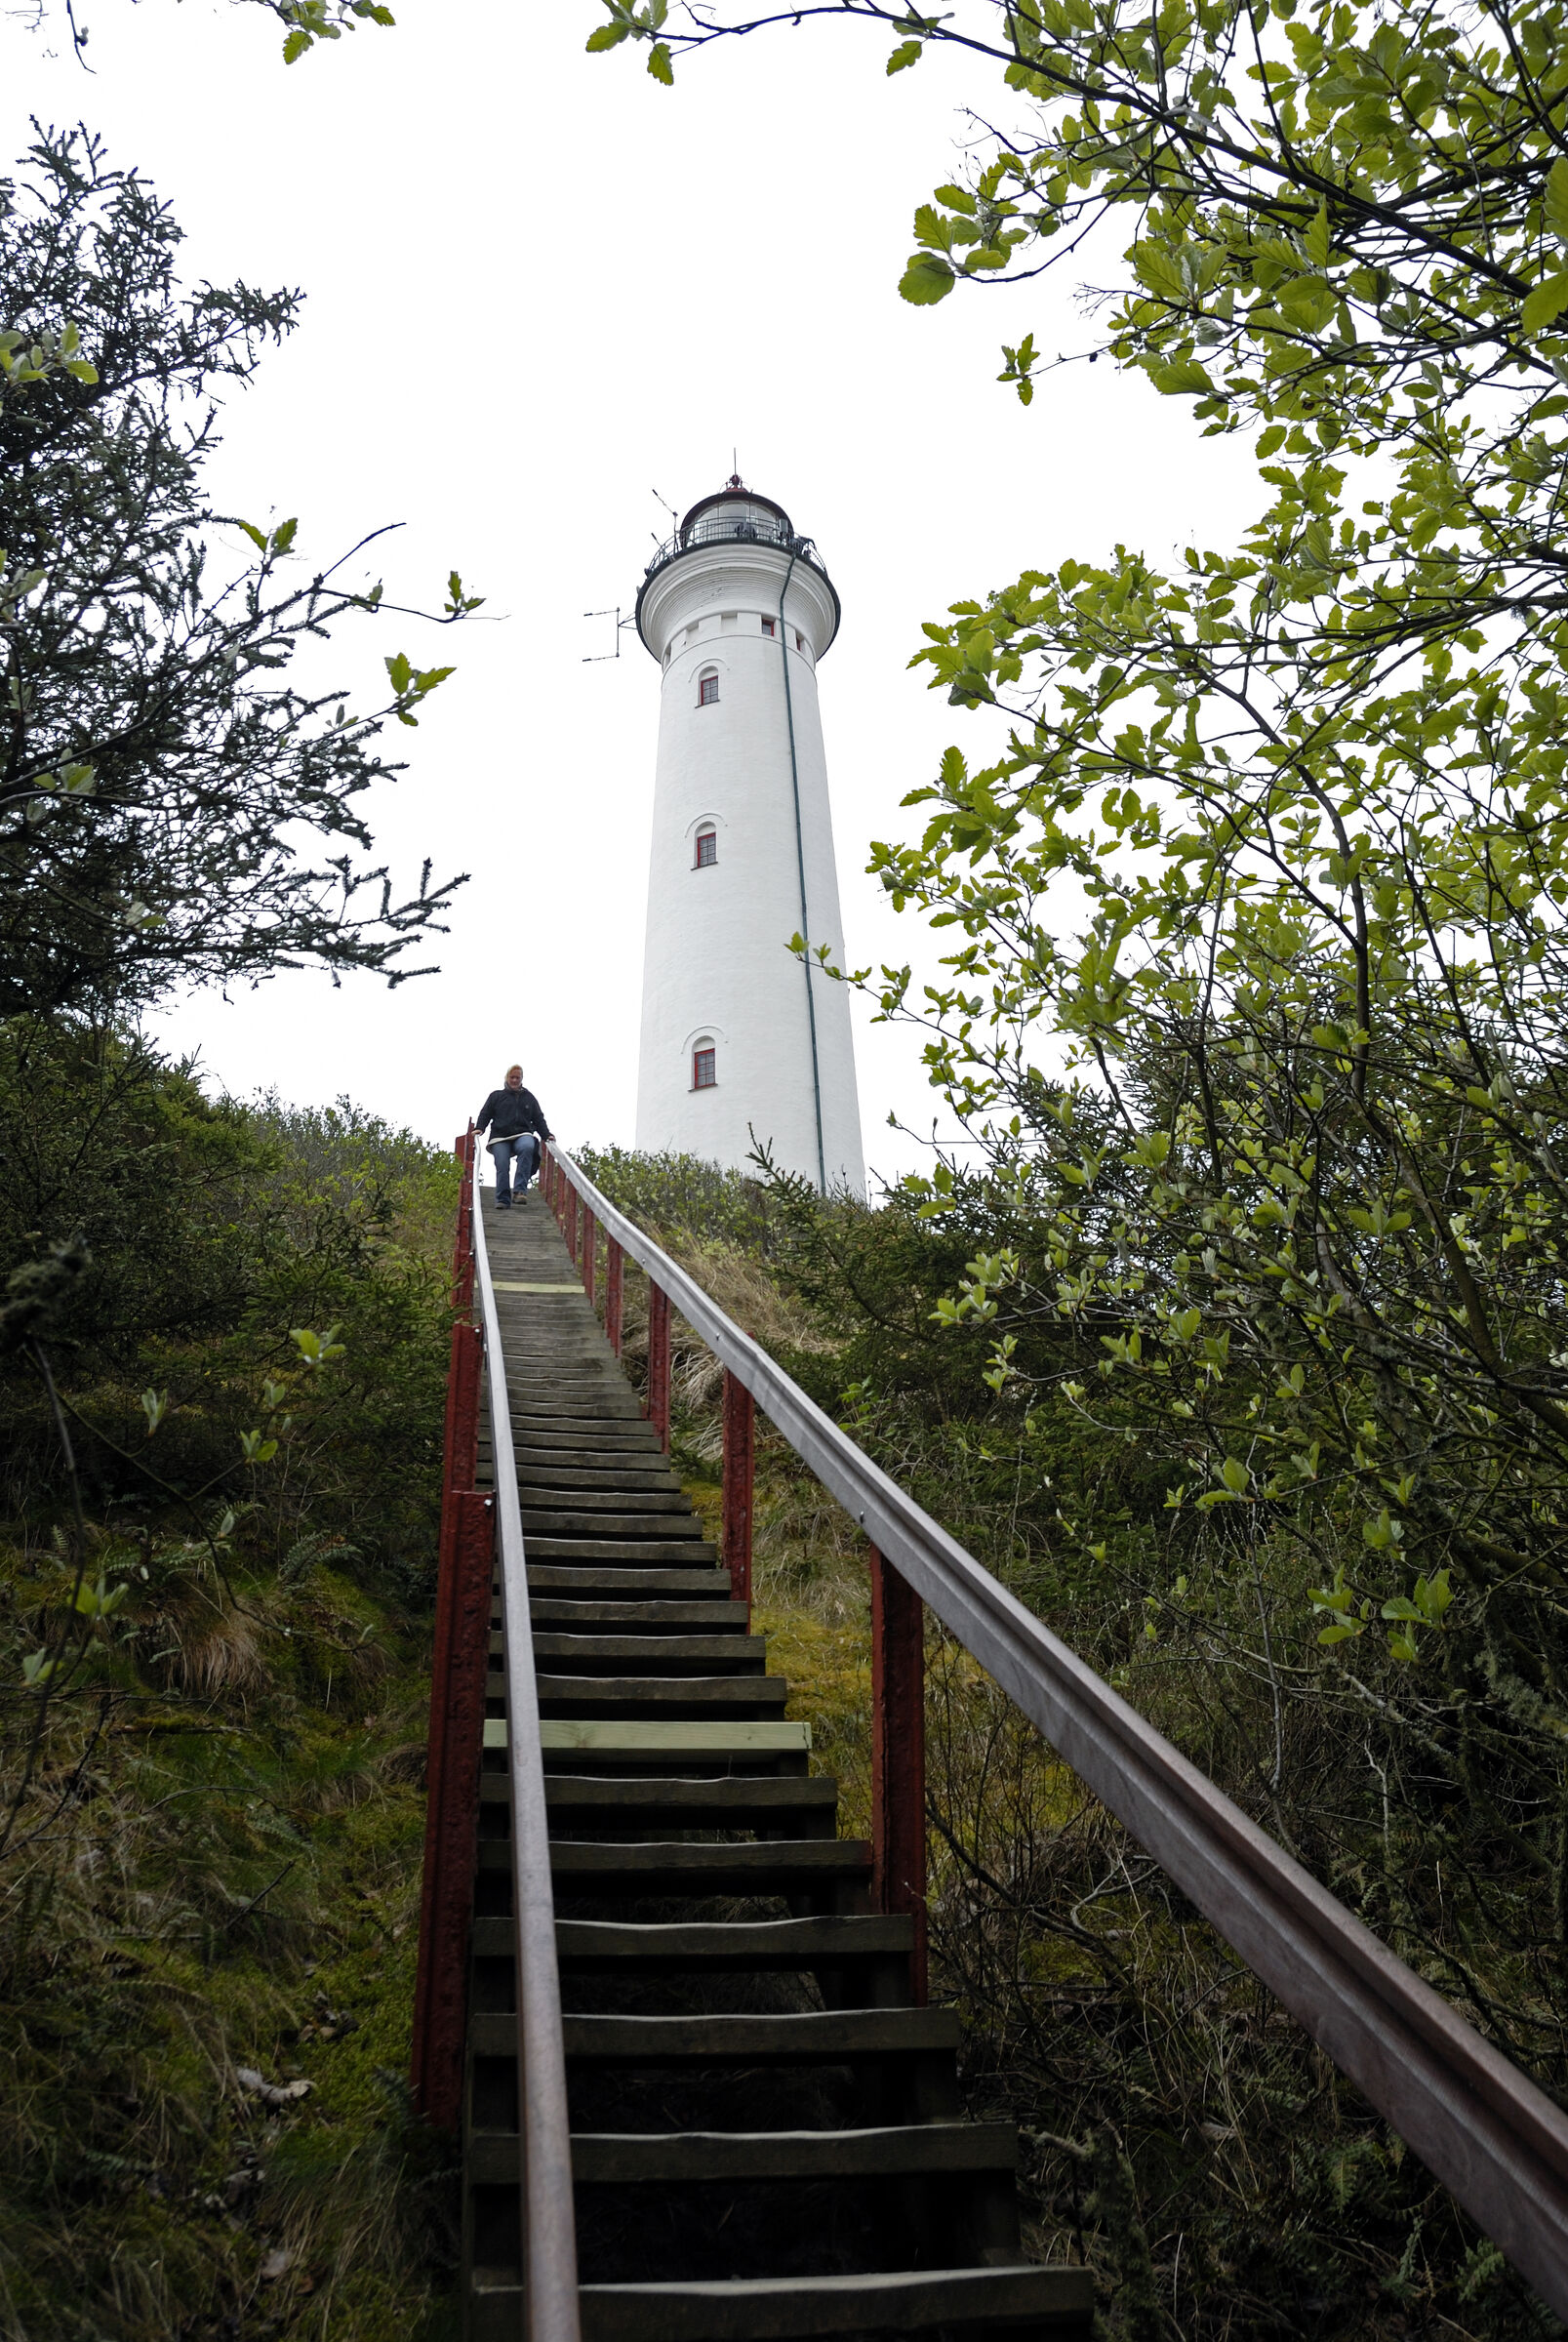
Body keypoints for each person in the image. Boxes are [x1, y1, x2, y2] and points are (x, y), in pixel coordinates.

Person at [475, 1066, 554, 1210]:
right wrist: (480, 1128)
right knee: (502, 1164)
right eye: (512, 1077)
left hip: (522, 1134)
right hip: (500, 1137)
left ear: (521, 1079)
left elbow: (538, 1118)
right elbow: (485, 1113)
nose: (514, 1080)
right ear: (507, 1078)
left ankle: (519, 1191)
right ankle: (503, 1199)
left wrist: (546, 1135)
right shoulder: (496, 1096)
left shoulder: (529, 1098)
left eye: (517, 1078)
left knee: (528, 1146)